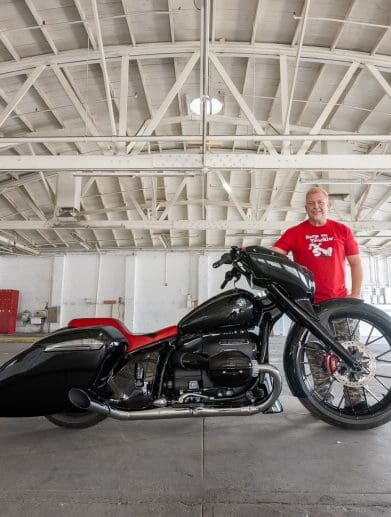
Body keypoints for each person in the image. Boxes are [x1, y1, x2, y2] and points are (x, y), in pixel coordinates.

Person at [271, 186, 365, 408]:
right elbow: (275, 255)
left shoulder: (342, 230)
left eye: (320, 203)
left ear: (328, 205)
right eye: (312, 203)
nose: (316, 207)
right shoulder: (295, 233)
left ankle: (357, 401)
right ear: (306, 208)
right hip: (310, 308)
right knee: (315, 355)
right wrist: (252, 252)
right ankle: (324, 402)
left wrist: (356, 294)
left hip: (340, 305)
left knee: (351, 352)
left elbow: (355, 263)